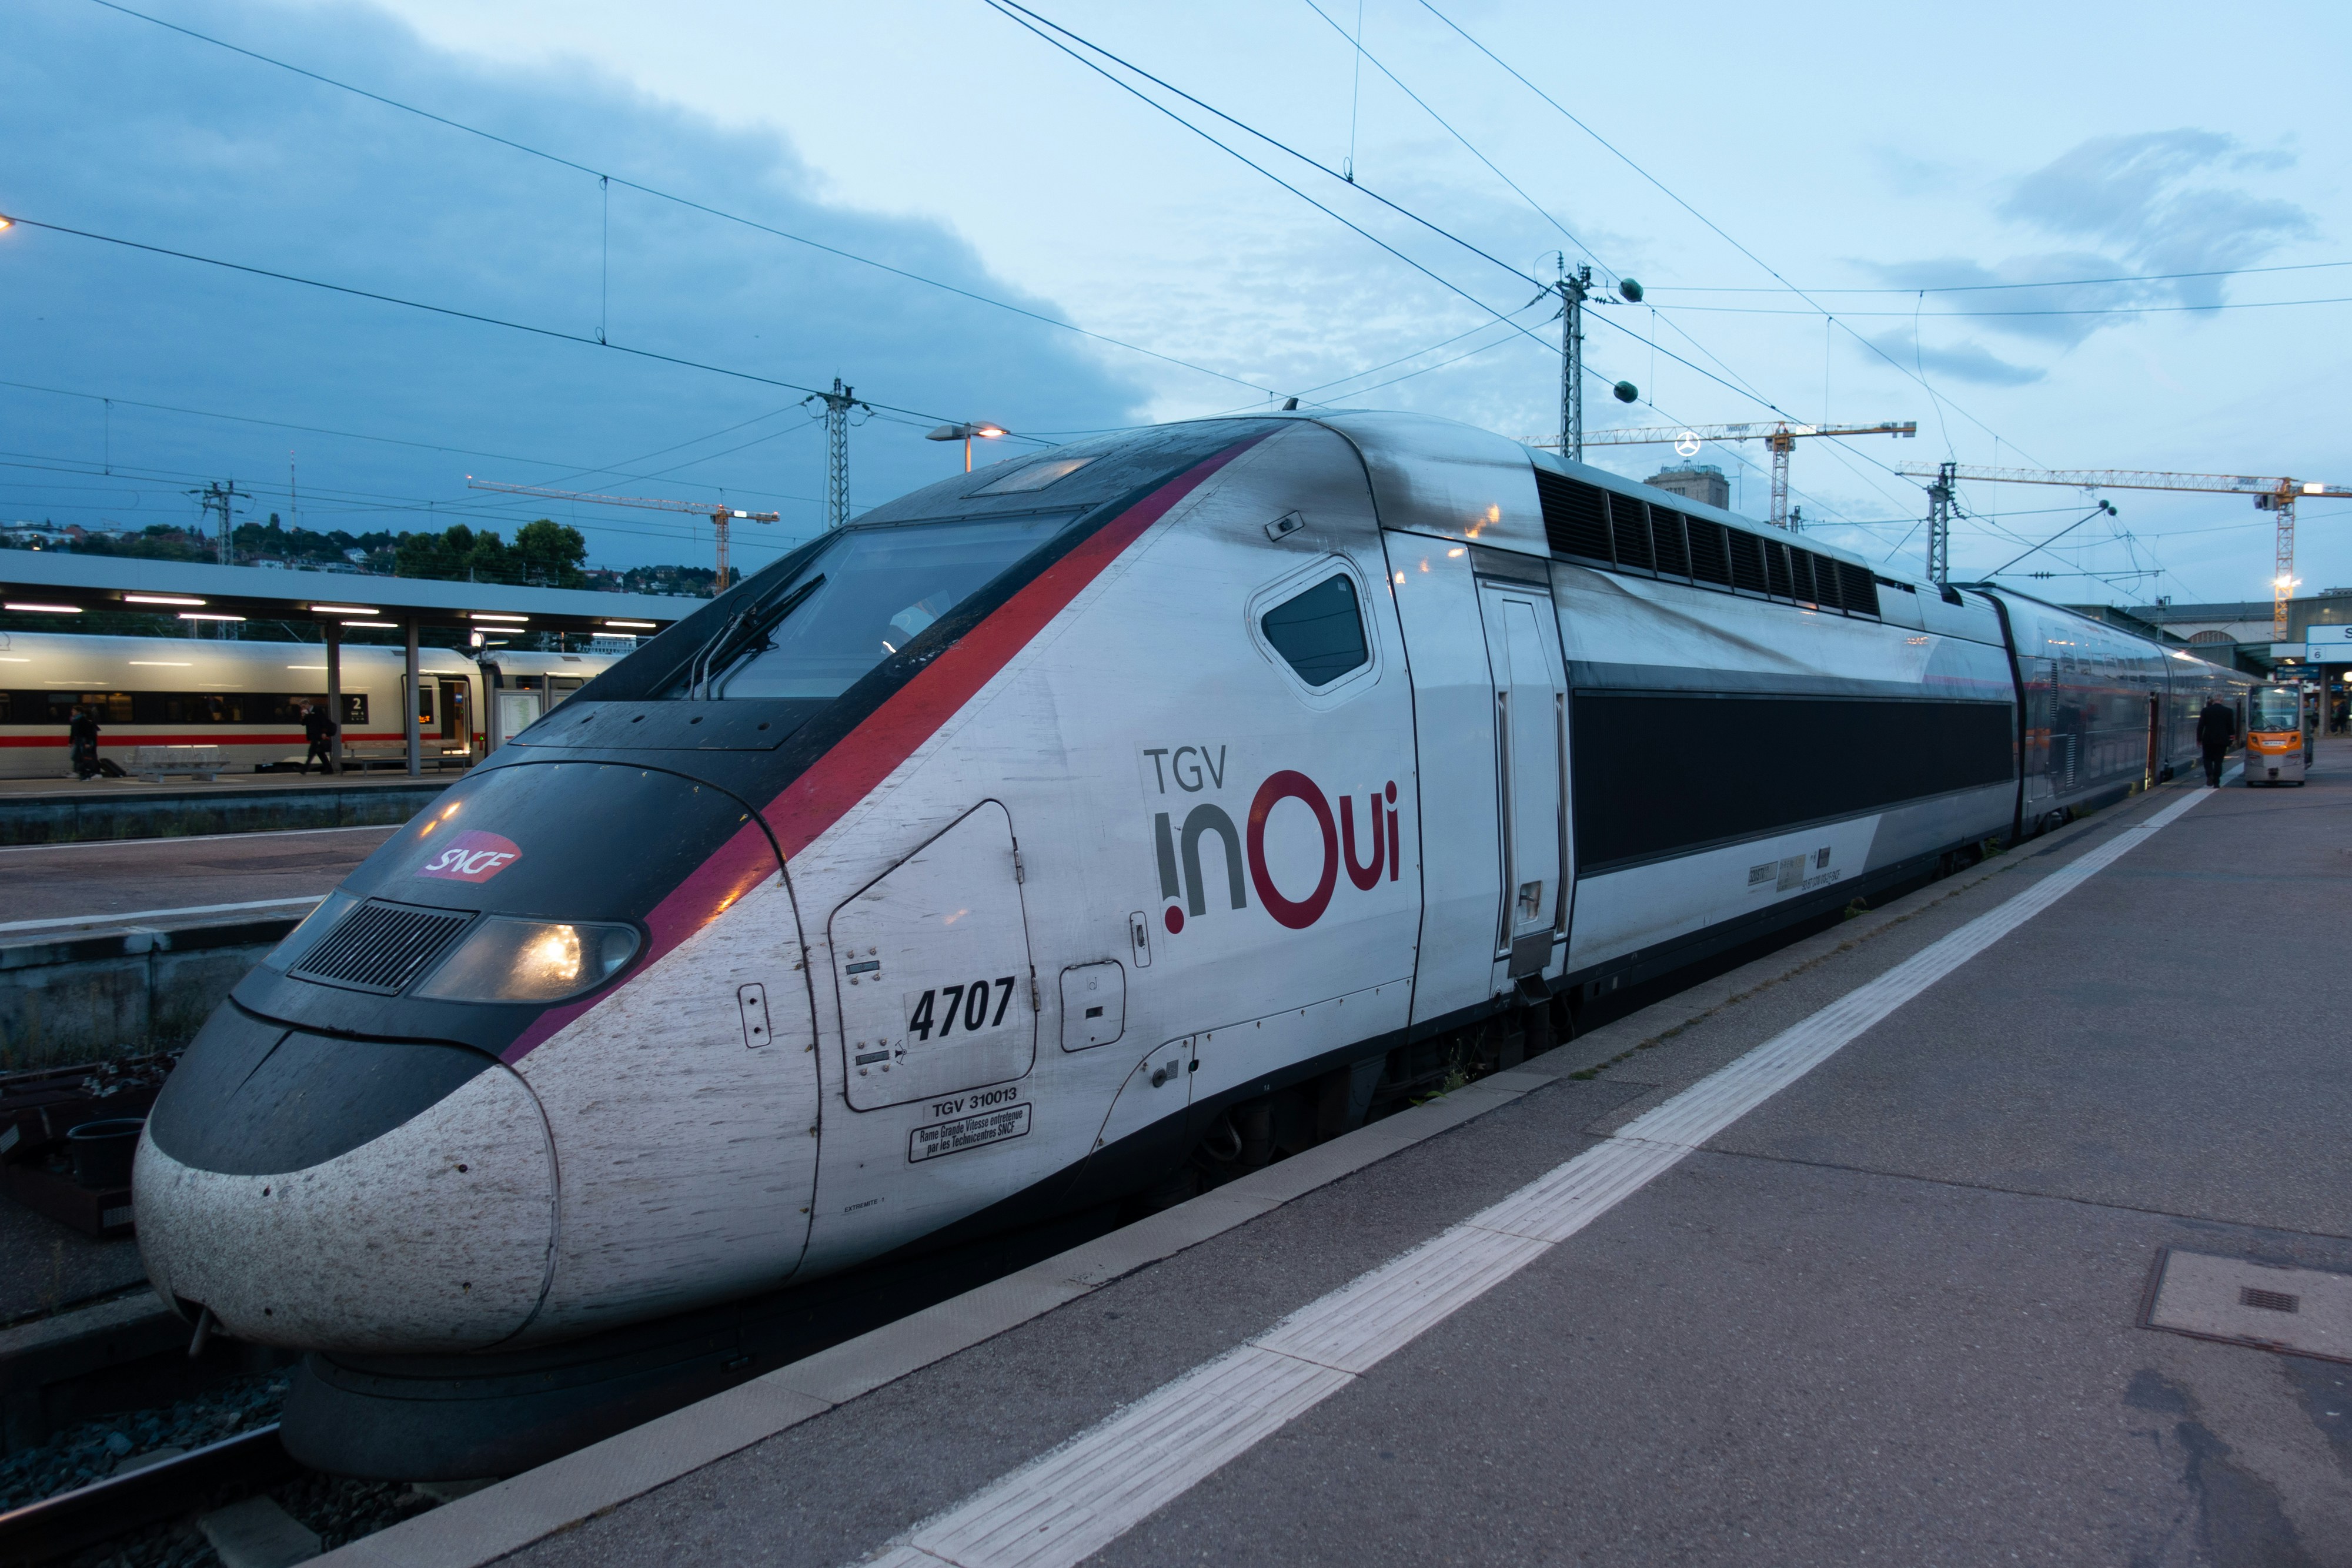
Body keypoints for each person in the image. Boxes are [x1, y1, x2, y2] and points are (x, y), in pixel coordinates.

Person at [2196, 695, 2236, 788]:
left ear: (2212, 700)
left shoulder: (2205, 711)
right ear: (2222, 700)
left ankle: (2210, 774)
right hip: (2222, 740)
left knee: (2207, 759)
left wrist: (2199, 739)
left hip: (2208, 739)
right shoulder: (2228, 711)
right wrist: (2231, 740)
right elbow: (2231, 727)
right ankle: (2217, 782)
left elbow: (2201, 726)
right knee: (2219, 761)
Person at [300, 700, 338, 775]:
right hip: (314, 735)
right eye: (302, 707)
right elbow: (303, 723)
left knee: (312, 753)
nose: (303, 708)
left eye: (304, 706)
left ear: (307, 704)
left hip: (319, 735)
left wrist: (324, 732)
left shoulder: (317, 710)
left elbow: (323, 721)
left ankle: (304, 769)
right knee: (319, 752)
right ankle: (329, 769)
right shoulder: (307, 712)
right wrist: (303, 716)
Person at [68, 704, 100, 781]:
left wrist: (88, 743)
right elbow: (73, 732)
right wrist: (71, 741)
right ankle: (82, 772)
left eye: (74, 710)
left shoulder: (83, 720)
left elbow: (88, 732)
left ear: (78, 712)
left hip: (83, 740)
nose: (72, 711)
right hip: (78, 740)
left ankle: (87, 774)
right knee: (76, 756)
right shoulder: (75, 720)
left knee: (85, 758)